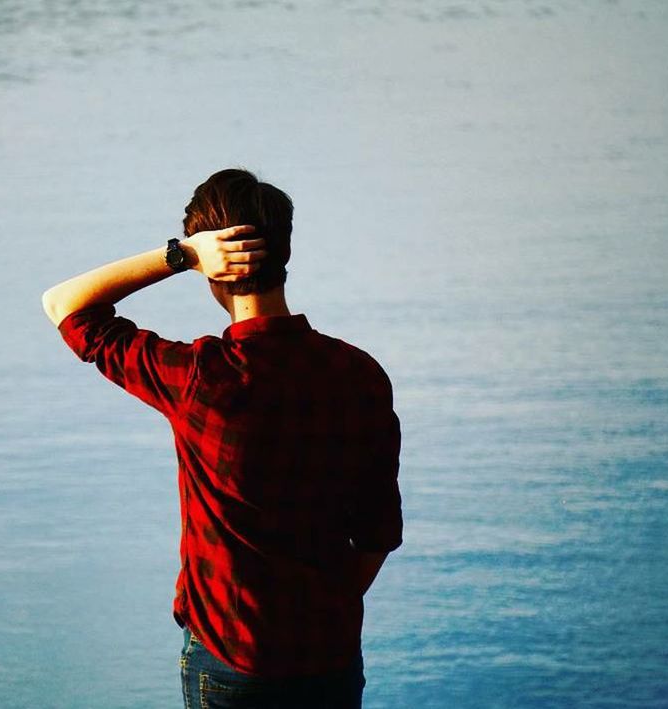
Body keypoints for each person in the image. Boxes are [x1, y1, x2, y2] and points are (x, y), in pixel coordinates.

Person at [42, 168, 402, 708]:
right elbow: (377, 533)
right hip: (329, 654)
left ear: (213, 269)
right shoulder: (358, 373)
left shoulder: (199, 378)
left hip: (230, 660)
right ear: (285, 254)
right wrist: (322, 611)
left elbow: (65, 305)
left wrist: (179, 255)